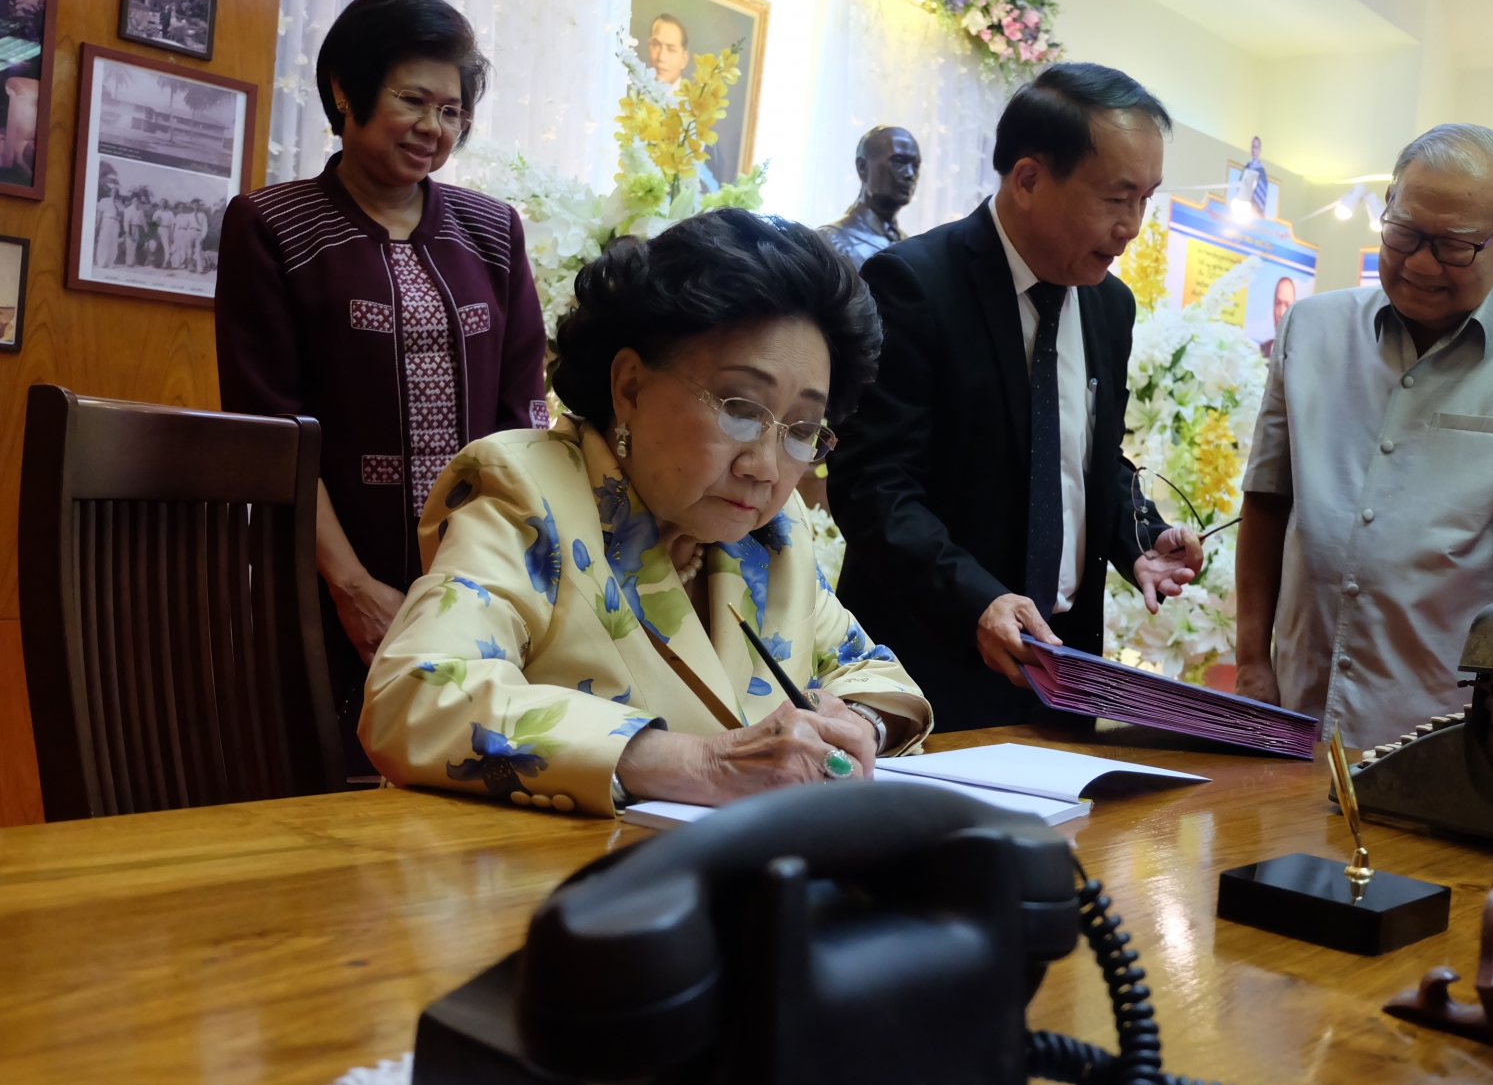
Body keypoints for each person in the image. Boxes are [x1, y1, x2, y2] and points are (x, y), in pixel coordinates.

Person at [362, 208, 930, 813]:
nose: (765, 466)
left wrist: (857, 726)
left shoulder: (772, 532)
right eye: (741, 410)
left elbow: (873, 674)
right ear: (630, 386)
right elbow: (416, 692)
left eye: (802, 429)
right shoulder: (527, 489)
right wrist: (700, 764)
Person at [215, 0, 548, 779]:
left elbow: (522, 422)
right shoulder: (271, 225)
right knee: (321, 793)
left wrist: (495, 577)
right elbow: (272, 432)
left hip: (478, 587)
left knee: (472, 788)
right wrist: (353, 587)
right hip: (325, 586)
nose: (434, 127)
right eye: (413, 100)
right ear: (346, 90)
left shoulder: (493, 232)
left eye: (452, 110)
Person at [829, 63, 1201, 732]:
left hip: (1063, 672)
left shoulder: (1109, 306)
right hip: (931, 667)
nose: (1133, 226)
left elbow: (1087, 458)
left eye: (1147, 199)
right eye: (1116, 198)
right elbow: (873, 487)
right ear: (1027, 180)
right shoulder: (914, 284)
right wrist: (978, 600)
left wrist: (1139, 537)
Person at [1235, 123, 1493, 749]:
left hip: (1446, 730)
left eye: (1453, 246)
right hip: (1295, 708)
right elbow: (1267, 500)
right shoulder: (1310, 329)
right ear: (1387, 205)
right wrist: (1252, 663)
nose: (1419, 263)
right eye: (1404, 232)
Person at [817, 125, 921, 270]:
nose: (910, 174)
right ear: (862, 167)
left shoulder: (910, 246)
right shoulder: (830, 241)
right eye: (898, 161)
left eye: (915, 166)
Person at [646, 13, 690, 86]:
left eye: (671, 50)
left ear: (684, 60)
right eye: (656, 45)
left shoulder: (695, 94)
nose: (661, 57)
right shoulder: (637, 91)